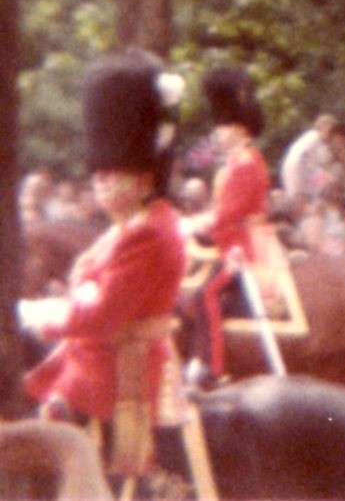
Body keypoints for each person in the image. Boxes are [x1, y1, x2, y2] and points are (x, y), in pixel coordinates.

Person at [22, 53, 188, 481]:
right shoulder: (130, 225)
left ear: (145, 177)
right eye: (98, 172)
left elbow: (100, 315)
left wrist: (36, 315)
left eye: (111, 172)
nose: (99, 180)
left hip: (118, 375)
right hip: (99, 356)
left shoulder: (146, 232)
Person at [184, 65, 271, 387]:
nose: (218, 133)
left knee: (205, 293)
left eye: (224, 126)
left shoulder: (247, 163)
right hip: (232, 239)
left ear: (242, 130)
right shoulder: (236, 162)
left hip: (243, 246)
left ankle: (213, 367)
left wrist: (194, 226)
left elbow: (227, 215)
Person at [278, 113, 338, 202]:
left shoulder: (312, 137)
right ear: (323, 126)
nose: (332, 133)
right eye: (330, 128)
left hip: (295, 169)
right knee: (332, 181)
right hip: (299, 169)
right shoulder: (315, 138)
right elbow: (305, 161)